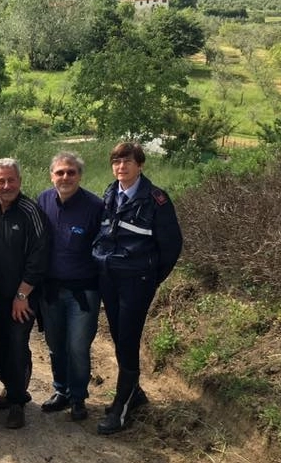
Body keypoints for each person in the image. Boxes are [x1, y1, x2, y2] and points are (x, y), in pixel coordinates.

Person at [93, 142, 183, 435]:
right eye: (117, 162)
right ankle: (136, 393)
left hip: (137, 281)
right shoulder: (110, 193)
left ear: (140, 165)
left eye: (127, 161)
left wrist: (151, 278)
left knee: (129, 338)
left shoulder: (156, 200)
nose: (121, 167)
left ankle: (122, 405)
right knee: (119, 335)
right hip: (110, 277)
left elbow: (171, 246)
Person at [0, 158, 48, 429]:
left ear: (19, 181)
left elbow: (39, 257)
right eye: (1, 181)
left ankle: (17, 402)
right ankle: (10, 387)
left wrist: (22, 295)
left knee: (17, 347)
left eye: (11, 180)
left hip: (23, 297)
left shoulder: (31, 211)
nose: (6, 185)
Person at [36, 152, 104, 422]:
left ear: (79, 176)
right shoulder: (42, 201)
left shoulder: (95, 207)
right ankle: (61, 391)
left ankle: (78, 397)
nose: (65, 177)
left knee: (77, 346)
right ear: (51, 175)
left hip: (83, 293)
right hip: (50, 291)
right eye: (60, 172)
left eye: (71, 172)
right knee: (55, 345)